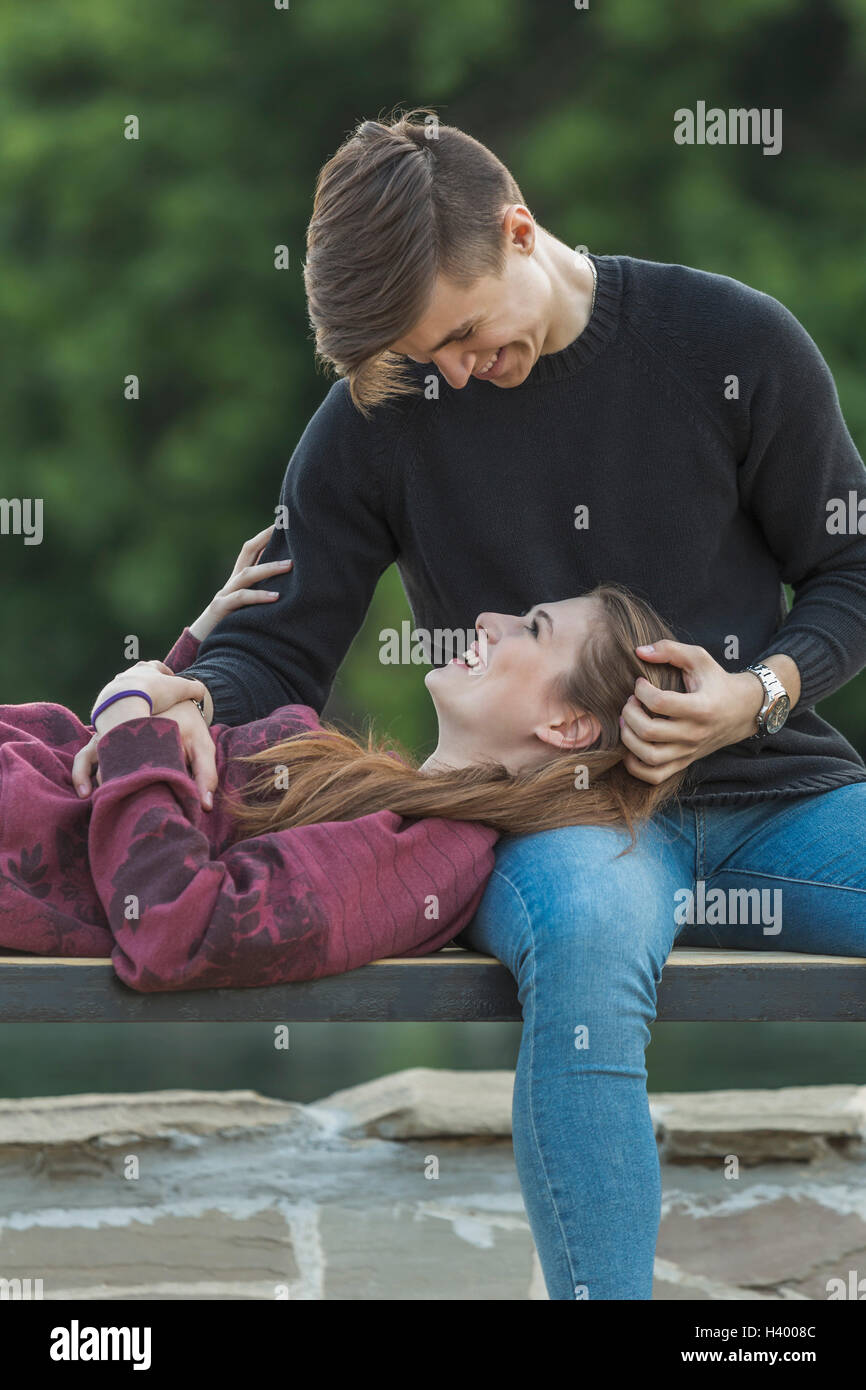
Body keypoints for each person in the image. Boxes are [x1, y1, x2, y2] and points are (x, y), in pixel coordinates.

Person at [69, 111, 866, 1299]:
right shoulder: (380, 414)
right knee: (588, 952)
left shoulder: (730, 341)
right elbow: (279, 649)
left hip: (772, 796)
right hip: (562, 825)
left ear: (517, 231)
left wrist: (755, 693)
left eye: (460, 333)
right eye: (416, 354)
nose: (446, 370)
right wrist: (189, 694)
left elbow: (848, 572)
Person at [0, 526, 685, 994]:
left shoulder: (431, 855)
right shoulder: (395, 796)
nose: (488, 622)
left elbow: (177, 927)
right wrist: (182, 674)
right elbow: (144, 786)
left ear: (567, 726)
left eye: (532, 629)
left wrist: (129, 709)